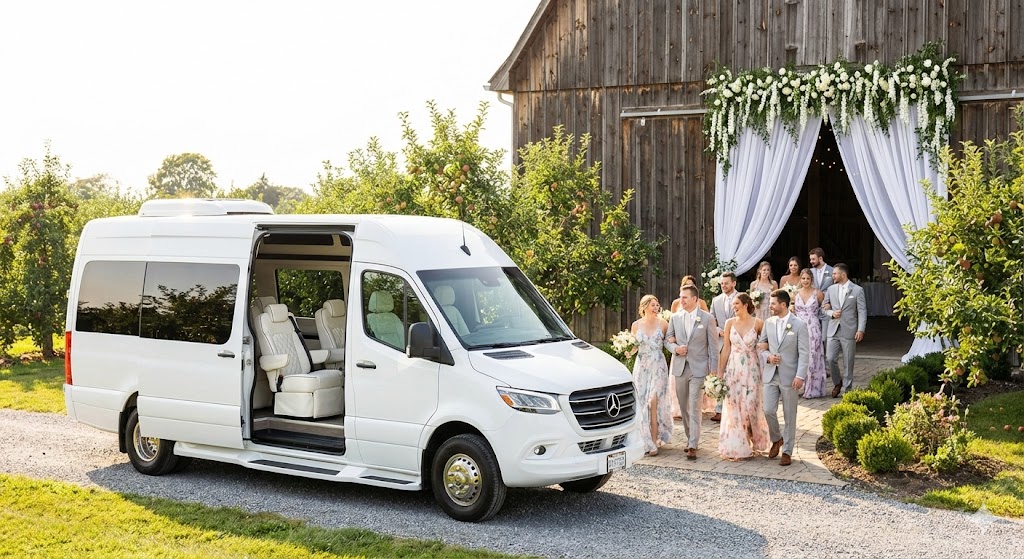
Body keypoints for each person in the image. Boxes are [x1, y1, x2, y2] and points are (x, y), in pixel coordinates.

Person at [665, 285, 719, 461]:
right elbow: (667, 340)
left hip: (699, 368)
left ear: (695, 299)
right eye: (680, 297)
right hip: (680, 368)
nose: (681, 300)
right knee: (683, 406)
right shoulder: (675, 317)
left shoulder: (707, 318)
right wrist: (675, 348)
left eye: (685, 297)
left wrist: (714, 371)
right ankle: (690, 437)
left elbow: (713, 346)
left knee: (695, 406)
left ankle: (693, 445)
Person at [716, 293, 771, 460]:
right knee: (734, 405)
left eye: (736, 304)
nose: (733, 307)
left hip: (751, 369)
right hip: (733, 369)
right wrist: (720, 372)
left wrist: (764, 347)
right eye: (733, 304)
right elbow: (726, 348)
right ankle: (740, 444)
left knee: (750, 405)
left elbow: (767, 342)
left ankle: (753, 438)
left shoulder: (758, 323)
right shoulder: (729, 323)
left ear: (746, 305)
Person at [757, 290, 809, 466]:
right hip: (771, 374)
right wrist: (768, 357)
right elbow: (761, 346)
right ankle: (776, 439)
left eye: (773, 303)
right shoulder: (768, 323)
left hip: (790, 376)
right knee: (768, 410)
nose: (770, 306)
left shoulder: (799, 325)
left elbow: (804, 352)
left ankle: (787, 451)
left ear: (783, 304)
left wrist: (800, 375)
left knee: (789, 415)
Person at [630, 295, 673, 456]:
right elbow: (634, 346)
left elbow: (668, 342)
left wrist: (676, 346)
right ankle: (643, 440)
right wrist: (626, 350)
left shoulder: (663, 324)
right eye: (653, 305)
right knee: (642, 403)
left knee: (653, 401)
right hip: (642, 367)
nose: (656, 307)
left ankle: (654, 441)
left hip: (658, 366)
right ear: (645, 307)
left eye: (657, 305)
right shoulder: (636, 325)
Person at [822, 263, 867, 397]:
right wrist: (831, 313)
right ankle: (837, 382)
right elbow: (823, 308)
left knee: (848, 360)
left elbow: (862, 311)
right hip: (833, 329)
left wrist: (861, 329)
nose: (833, 276)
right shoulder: (830, 289)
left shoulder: (857, 290)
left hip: (849, 329)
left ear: (843, 274)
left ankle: (847, 389)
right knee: (830, 358)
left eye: (835, 273)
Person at [708, 272, 740, 422]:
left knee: (736, 374)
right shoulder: (716, 300)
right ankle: (719, 409)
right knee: (720, 374)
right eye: (722, 283)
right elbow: (711, 320)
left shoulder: (741, 298)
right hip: (721, 342)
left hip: (738, 342)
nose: (723, 285)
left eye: (726, 283)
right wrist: (718, 330)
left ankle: (736, 407)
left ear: (734, 283)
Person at [793, 268, 827, 398]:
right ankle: (799, 386)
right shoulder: (795, 293)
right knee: (799, 355)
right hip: (798, 327)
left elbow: (823, 311)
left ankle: (813, 388)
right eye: (803, 278)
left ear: (811, 279)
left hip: (813, 327)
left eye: (808, 278)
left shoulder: (818, 293)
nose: (805, 281)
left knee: (813, 356)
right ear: (800, 279)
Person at [808, 248, 834, 348]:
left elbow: (836, 289)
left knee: (825, 338)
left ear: (820, 258)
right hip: (813, 309)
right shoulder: (810, 272)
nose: (811, 261)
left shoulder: (832, 271)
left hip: (827, 307)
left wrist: (831, 304)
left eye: (813, 259)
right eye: (810, 259)